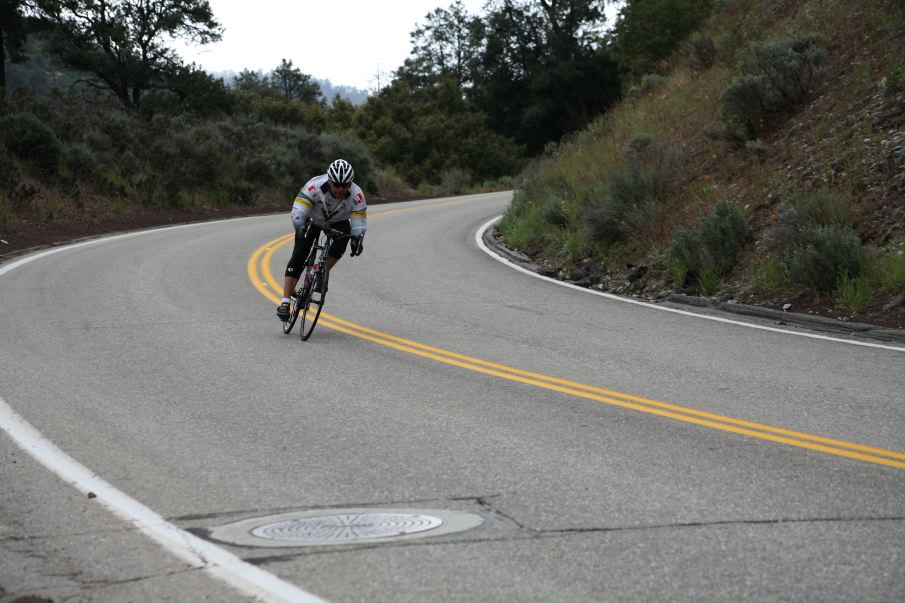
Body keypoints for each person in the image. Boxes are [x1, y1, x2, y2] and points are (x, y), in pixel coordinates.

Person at [276, 158, 367, 321]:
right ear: (329, 180)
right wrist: (299, 225)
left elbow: (358, 221)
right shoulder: (315, 186)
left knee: (344, 240)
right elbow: (299, 209)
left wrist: (357, 239)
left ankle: (318, 271)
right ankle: (285, 302)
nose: (340, 189)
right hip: (311, 219)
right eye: (336, 185)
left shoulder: (357, 195)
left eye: (344, 185)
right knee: (300, 253)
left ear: (350, 184)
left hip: (338, 222)